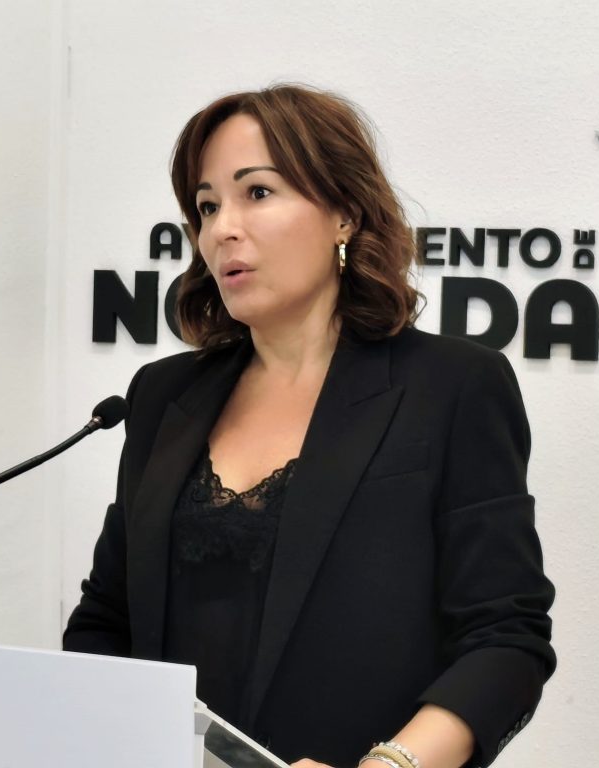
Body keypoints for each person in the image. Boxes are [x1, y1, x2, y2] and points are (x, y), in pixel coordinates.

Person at [63, 84, 555, 768]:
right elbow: (106, 621)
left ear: (344, 215)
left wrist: (390, 766)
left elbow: (505, 639)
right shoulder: (163, 395)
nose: (222, 229)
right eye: (207, 206)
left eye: (257, 193)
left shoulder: (452, 386)